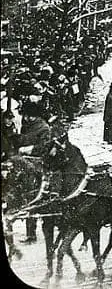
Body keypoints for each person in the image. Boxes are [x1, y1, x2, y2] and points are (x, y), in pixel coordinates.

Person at [16, 101, 52, 244]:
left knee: (30, 194)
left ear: (33, 116)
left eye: (27, 116)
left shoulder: (44, 128)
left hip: (38, 163)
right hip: (24, 162)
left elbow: (45, 147)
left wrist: (29, 149)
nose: (25, 118)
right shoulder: (26, 126)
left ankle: (31, 234)